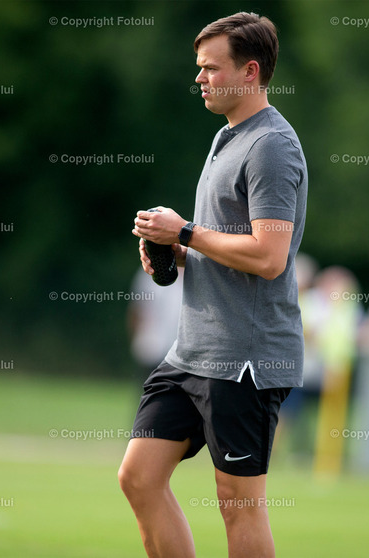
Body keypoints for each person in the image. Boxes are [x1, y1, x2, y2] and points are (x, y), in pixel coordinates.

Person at [118, 12, 308, 558]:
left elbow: (269, 257)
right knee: (139, 477)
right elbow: (226, 243)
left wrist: (186, 232)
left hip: (245, 357)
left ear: (250, 72)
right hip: (192, 352)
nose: (199, 78)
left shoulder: (271, 145)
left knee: (238, 504)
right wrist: (180, 253)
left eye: (211, 68)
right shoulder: (227, 136)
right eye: (199, 67)